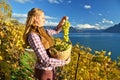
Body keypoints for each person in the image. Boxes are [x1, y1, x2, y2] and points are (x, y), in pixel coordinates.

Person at [23, 8, 70, 80]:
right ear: (35, 18)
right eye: (42, 18)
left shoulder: (43, 31)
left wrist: (62, 22)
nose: (44, 20)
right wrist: (64, 62)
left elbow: (56, 30)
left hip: (50, 69)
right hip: (44, 72)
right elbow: (45, 60)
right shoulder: (33, 36)